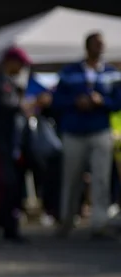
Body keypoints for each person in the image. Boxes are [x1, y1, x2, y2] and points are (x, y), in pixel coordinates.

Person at [53, 32, 121, 240]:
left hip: (100, 129)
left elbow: (118, 103)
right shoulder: (69, 72)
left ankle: (99, 224)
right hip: (74, 131)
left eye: (102, 44)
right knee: (71, 177)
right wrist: (76, 102)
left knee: (101, 178)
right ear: (87, 46)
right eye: (96, 44)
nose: (99, 47)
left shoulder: (112, 73)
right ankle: (66, 219)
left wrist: (102, 102)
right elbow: (56, 101)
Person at [0, 47, 41, 243]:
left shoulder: (13, 85)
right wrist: (24, 104)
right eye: (20, 64)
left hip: (14, 145)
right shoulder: (0, 85)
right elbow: (6, 107)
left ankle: (9, 227)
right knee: (5, 185)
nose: (22, 68)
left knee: (14, 187)